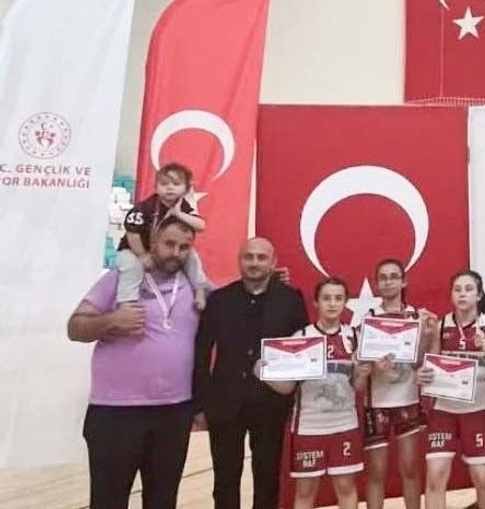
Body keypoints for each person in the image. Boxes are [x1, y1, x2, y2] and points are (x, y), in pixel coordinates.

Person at [68, 217, 200, 509]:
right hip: (116, 413)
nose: (175, 252)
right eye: (169, 244)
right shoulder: (119, 279)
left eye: (184, 247)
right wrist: (111, 320)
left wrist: (274, 280)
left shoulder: (194, 286)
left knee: (162, 501)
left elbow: (234, 301)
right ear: (153, 242)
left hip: (173, 413)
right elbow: (75, 327)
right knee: (108, 501)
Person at [194, 237, 309, 509]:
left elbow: (302, 350)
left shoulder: (290, 299)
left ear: (273, 262)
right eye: (249, 257)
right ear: (240, 260)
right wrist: (199, 405)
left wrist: (295, 396)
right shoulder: (219, 300)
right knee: (225, 480)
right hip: (225, 406)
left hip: (271, 404)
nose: (254, 263)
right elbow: (201, 352)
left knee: (268, 479)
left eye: (261, 257)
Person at [264, 277, 370, 509]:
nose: (332, 303)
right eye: (326, 298)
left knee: (346, 487)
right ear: (315, 302)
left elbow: (358, 387)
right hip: (308, 426)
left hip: (344, 424)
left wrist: (362, 374)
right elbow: (288, 387)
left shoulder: (354, 337)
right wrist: (265, 373)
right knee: (305, 491)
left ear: (345, 302)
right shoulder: (301, 337)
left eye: (338, 298)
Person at [418, 270, 485, 509]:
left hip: (476, 412)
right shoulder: (441, 325)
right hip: (443, 412)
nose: (462, 294)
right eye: (457, 290)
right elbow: (429, 362)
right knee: (435, 476)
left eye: (468, 289)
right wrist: (422, 372)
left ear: (478, 295)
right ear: (451, 295)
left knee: (482, 478)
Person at [363, 259, 436, 509]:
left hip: (408, 399)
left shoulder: (417, 316)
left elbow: (421, 361)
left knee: (411, 468)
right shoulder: (369, 317)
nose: (388, 282)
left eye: (394, 276)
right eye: (383, 277)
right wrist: (374, 366)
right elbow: (360, 363)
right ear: (377, 284)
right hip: (377, 402)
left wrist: (428, 335)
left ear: (404, 281)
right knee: (376, 472)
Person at [116, 161, 209, 310]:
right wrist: (142, 255)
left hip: (165, 250)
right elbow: (132, 233)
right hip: (133, 249)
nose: (170, 188)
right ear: (156, 187)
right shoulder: (144, 207)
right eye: (164, 184)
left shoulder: (183, 207)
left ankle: (200, 290)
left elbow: (201, 226)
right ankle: (127, 302)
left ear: (186, 188)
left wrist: (179, 214)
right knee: (131, 266)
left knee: (193, 257)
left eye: (176, 184)